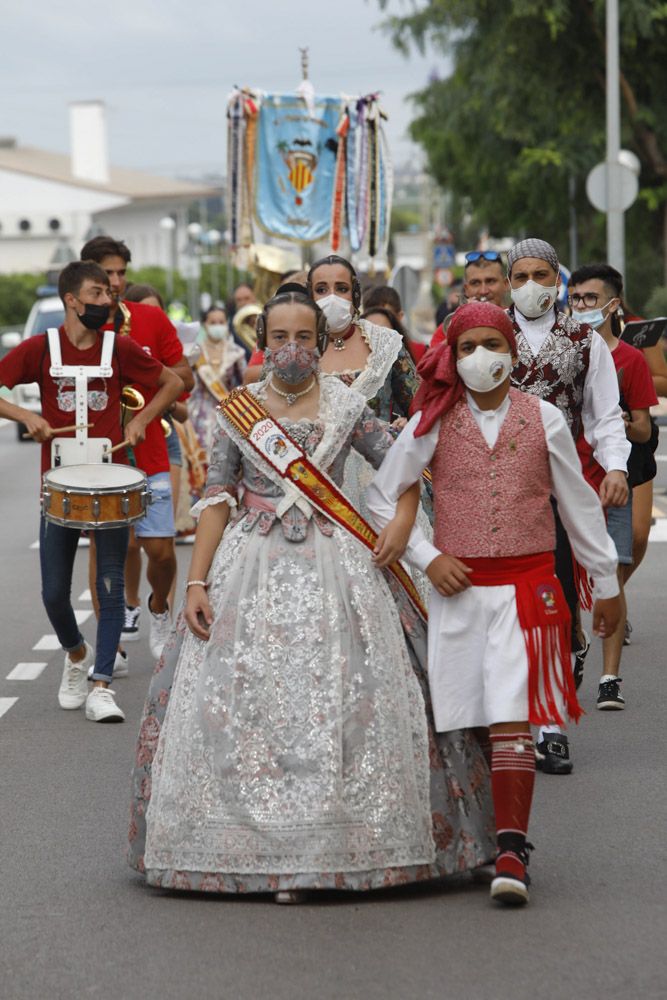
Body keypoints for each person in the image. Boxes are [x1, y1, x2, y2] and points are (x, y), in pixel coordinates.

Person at [128, 289, 495, 899]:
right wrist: (196, 580)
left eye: (303, 338)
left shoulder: (349, 405)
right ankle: (257, 848)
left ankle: (342, 845)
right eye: (279, 338)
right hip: (251, 566)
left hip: (341, 565)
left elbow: (402, 468)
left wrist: (402, 523)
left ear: (321, 345)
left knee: (351, 697)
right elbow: (217, 498)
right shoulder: (239, 410)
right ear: (262, 343)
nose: (291, 348)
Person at [367, 302, 621, 906]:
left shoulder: (545, 419)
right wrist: (428, 557)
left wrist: (605, 583)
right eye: (469, 346)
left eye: (494, 343)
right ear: (452, 357)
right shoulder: (432, 420)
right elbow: (382, 498)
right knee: (466, 717)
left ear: (512, 347)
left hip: (526, 591)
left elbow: (578, 506)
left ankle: (513, 848)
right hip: (458, 594)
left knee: (512, 713)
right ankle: (477, 839)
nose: (484, 356)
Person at [0, 261, 182, 722]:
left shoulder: (118, 348)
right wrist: (26, 418)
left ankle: (102, 685)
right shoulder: (40, 349)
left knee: (111, 582)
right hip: (58, 485)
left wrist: (142, 419)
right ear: (71, 300)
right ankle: (77, 654)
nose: (108, 300)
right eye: (97, 294)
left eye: (108, 292)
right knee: (54, 593)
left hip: (110, 481)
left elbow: (173, 382)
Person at [506, 238, 630, 773]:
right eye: (520, 276)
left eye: (541, 274)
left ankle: (550, 723)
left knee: (551, 599)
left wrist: (618, 466)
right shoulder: (487, 332)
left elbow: (604, 414)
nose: (530, 285)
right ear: (509, 281)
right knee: (505, 607)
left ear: (557, 278)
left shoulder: (584, 338)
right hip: (498, 486)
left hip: (559, 485)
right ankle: (509, 718)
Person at [80, 237, 194, 662]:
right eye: (107, 274)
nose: (116, 282)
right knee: (107, 547)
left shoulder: (149, 318)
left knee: (160, 550)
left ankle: (159, 606)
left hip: (150, 448)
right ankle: (110, 640)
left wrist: (148, 392)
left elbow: (184, 377)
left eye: (121, 273)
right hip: (96, 456)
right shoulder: (79, 326)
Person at [569, 264, 658, 708]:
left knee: (616, 572)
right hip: (570, 482)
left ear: (612, 304)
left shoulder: (630, 359)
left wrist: (620, 425)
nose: (582, 306)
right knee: (568, 579)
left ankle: (610, 678)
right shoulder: (563, 354)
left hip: (618, 473)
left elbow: (643, 428)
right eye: (576, 298)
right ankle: (576, 642)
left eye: (590, 298)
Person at [188, 305, 245, 452]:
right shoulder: (194, 353)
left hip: (229, 415)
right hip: (199, 416)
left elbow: (245, 383)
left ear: (227, 324)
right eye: (213, 323)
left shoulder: (237, 352)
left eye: (221, 322)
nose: (217, 326)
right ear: (204, 325)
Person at [430, 251, 509, 348]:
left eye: (490, 281)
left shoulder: (518, 322)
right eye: (475, 283)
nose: (483, 291)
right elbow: (432, 359)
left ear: (505, 285)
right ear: (466, 289)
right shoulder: (447, 328)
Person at [363, 285, 426, 363]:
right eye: (372, 320)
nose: (378, 327)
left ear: (399, 317)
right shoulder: (355, 354)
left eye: (387, 317)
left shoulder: (420, 353)